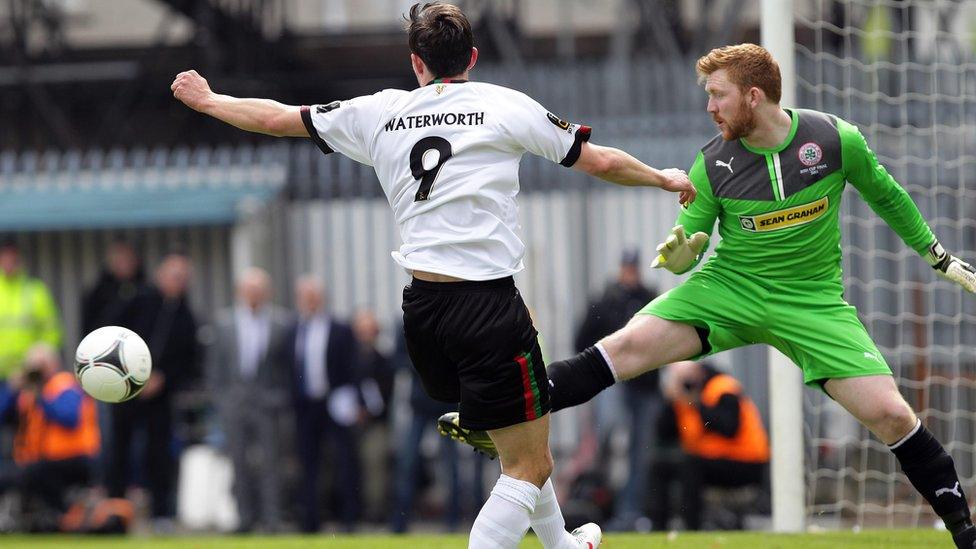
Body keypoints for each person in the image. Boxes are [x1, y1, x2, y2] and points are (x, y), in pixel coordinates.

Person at [171, 2, 694, 546]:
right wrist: (663, 177)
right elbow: (601, 162)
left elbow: (278, 118)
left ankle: (563, 542)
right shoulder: (501, 105)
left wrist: (210, 101)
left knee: (524, 446)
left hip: (422, 313)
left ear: (416, 63)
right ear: (472, 56)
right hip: (488, 309)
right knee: (529, 465)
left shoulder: (378, 112)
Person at [441, 43, 976, 548]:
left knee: (893, 416)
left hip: (811, 301)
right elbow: (690, 245)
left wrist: (938, 256)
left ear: (753, 96)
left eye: (717, 94)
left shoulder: (835, 141)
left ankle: (965, 534)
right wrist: (680, 255)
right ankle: (496, 412)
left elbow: (888, 195)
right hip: (727, 290)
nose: (708, 107)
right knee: (624, 348)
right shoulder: (713, 163)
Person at [106, 252, 198, 526]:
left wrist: (163, 379)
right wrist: (131, 375)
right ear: (160, 275)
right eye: (173, 275)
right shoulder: (138, 301)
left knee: (159, 453)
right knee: (119, 449)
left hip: (160, 395)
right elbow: (113, 336)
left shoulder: (187, 317)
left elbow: (188, 360)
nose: (177, 282)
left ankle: (161, 513)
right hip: (126, 389)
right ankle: (115, 512)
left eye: (183, 278)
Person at [574, 247, 659, 531]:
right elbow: (581, 341)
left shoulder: (649, 299)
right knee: (606, 438)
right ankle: (600, 504)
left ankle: (629, 511)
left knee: (639, 451)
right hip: (614, 383)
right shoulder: (605, 301)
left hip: (644, 386)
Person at [208, 267, 291, 533]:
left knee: (271, 464)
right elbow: (215, 368)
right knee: (238, 463)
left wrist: (279, 397)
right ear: (240, 292)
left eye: (259, 289)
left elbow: (287, 368)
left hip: (267, 404)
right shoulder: (224, 323)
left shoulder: (281, 323)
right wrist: (221, 399)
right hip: (234, 403)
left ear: (267, 293)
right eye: (249, 289)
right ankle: (244, 518)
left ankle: (272, 519)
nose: (254, 295)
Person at [651, 361, 768, 531]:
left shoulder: (723, 387)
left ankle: (692, 527)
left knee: (691, 465)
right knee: (659, 466)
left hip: (746, 462)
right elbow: (664, 434)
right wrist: (670, 402)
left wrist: (696, 403)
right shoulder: (682, 398)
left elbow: (729, 428)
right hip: (709, 461)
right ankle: (657, 528)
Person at [285, 276, 361, 533]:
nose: (310, 302)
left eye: (314, 296)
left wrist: (352, 399)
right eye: (305, 297)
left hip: (335, 402)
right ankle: (310, 521)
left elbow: (353, 367)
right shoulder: (293, 328)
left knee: (344, 460)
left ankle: (348, 518)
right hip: (306, 405)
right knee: (308, 464)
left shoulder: (340, 328)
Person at [0, 344, 99, 529]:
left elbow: (69, 419)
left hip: (73, 458)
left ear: (53, 364)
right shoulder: (27, 392)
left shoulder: (64, 386)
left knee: (36, 473)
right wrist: (11, 390)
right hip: (38, 461)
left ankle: (62, 515)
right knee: (13, 474)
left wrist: (41, 398)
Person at [352, 309, 395, 523]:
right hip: (349, 421)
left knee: (374, 463)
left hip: (375, 422)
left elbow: (385, 395)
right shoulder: (349, 358)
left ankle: (374, 513)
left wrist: (367, 411)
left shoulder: (383, 360)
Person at [0, 237, 62, 385]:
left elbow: (52, 334)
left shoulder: (35, 291)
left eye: (12, 256)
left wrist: (39, 358)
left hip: (27, 377)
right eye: (4, 256)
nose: (9, 261)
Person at [81, 239, 145, 335]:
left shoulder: (147, 292)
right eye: (118, 259)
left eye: (127, 258)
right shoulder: (97, 293)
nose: (123, 264)